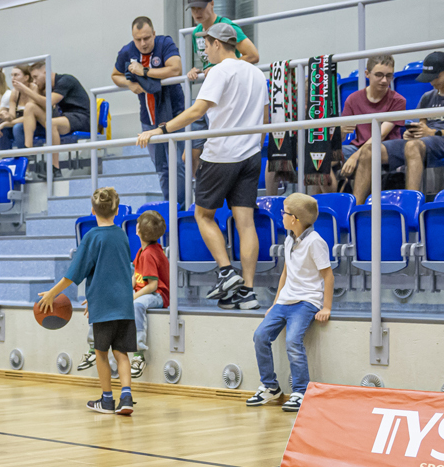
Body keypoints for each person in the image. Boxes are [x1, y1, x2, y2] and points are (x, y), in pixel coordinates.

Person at [135, 21, 267, 311]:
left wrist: (161, 129)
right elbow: (265, 116)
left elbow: (197, 110)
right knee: (245, 223)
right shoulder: (257, 74)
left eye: (206, 46)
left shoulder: (219, 71)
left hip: (221, 154)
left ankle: (226, 272)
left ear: (218, 44)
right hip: (251, 155)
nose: (205, 52)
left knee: (202, 215)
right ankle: (247, 291)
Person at [36, 187, 135, 416]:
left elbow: (73, 274)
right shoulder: (122, 235)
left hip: (104, 307)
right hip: (124, 305)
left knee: (101, 352)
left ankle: (107, 400)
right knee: (121, 352)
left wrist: (52, 293)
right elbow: (118, 272)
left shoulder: (92, 237)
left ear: (92, 211)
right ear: (117, 211)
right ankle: (127, 397)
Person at [247, 193, 332, 414]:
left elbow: (328, 275)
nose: (281, 216)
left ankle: (301, 392)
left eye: (284, 213)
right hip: (284, 301)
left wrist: (326, 307)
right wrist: (275, 302)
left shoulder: (315, 242)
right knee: (260, 336)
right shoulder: (288, 239)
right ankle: (270, 387)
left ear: (294, 219)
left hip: (306, 301)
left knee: (293, 341)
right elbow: (285, 273)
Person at [363, 51, 444, 202]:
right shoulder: (427, 97)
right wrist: (413, 133)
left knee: (412, 146)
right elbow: (421, 125)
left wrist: (434, 132)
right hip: (425, 142)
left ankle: (411, 203)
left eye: (436, 77)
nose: (432, 82)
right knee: (370, 150)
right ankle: (355, 208)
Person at [113, 16, 185, 195]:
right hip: (148, 118)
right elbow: (115, 75)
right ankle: (169, 204)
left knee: (178, 164)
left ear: (154, 33)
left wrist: (144, 71)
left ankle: (182, 206)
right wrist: (129, 83)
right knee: (161, 167)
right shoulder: (127, 51)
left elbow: (176, 69)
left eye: (146, 38)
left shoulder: (165, 43)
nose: (143, 43)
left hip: (174, 114)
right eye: (138, 39)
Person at [185, 0, 259, 154]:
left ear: (212, 4)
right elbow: (209, 62)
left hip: (229, 93)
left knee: (220, 147)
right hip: (210, 90)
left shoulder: (227, 27)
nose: (196, 12)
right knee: (190, 154)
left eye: (200, 7)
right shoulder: (197, 32)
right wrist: (197, 70)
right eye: (193, 8)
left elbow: (253, 55)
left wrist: (221, 67)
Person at [338, 56, 407, 204]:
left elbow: (380, 135)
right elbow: (342, 137)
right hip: (358, 146)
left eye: (389, 76)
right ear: (367, 74)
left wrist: (355, 157)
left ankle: (355, 209)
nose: (384, 80)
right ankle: (326, 205)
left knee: (368, 152)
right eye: (379, 75)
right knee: (324, 156)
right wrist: (342, 131)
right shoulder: (353, 99)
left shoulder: (398, 100)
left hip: (388, 148)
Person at [12, 62, 91, 164]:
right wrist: (36, 90)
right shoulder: (46, 88)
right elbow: (32, 108)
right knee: (30, 107)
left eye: (35, 77)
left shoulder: (65, 80)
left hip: (81, 118)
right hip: (65, 117)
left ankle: (55, 167)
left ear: (46, 72)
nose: (34, 81)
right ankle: (28, 151)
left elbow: (48, 102)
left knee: (52, 123)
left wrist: (25, 90)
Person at [129, 209, 169, 377]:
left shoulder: (150, 254)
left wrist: (133, 297)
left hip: (158, 295)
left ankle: (139, 354)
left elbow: (153, 286)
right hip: (147, 292)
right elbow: (136, 276)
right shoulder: (142, 251)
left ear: (138, 230)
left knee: (136, 305)